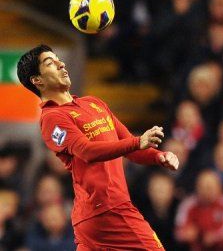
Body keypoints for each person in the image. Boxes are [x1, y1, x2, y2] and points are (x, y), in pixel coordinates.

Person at [16, 44, 179, 250]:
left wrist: (159, 156)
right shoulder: (52, 118)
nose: (60, 63)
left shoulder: (94, 103)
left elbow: (130, 147)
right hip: (108, 211)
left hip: (93, 217)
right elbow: (86, 151)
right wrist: (138, 141)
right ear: (37, 80)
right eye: (50, 63)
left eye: (58, 58)